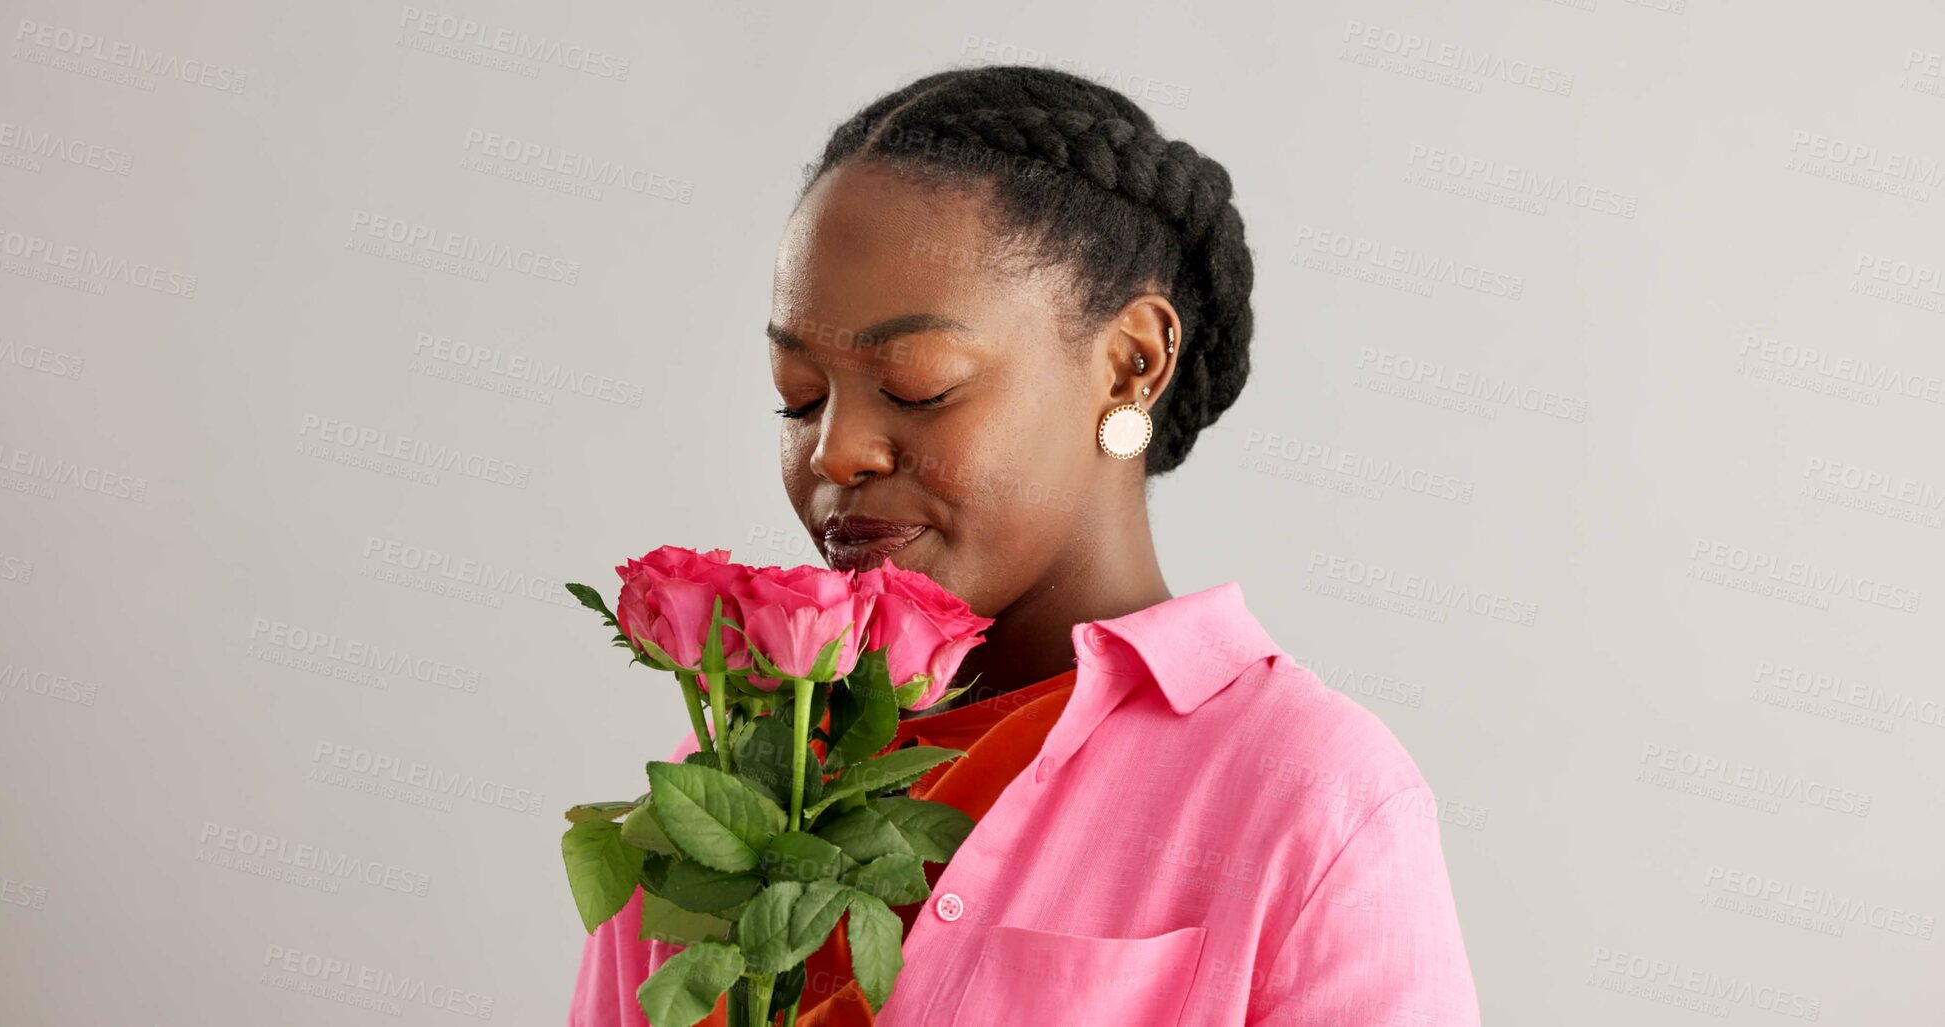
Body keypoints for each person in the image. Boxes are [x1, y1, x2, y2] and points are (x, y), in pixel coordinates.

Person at [569, 63, 1480, 1026]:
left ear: (1130, 363)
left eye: (917, 383)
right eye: (798, 394)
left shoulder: (1312, 795)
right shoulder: (732, 766)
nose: (834, 448)